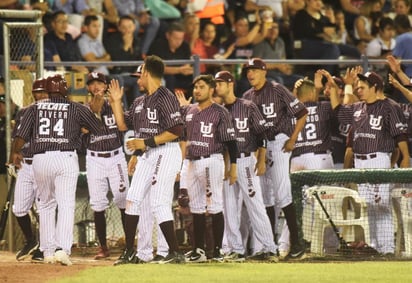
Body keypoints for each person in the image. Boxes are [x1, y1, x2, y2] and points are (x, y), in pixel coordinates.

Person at [9, 74, 103, 266]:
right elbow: (98, 128)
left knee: (45, 205)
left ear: (49, 91)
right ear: (64, 90)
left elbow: (20, 136)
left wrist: (15, 153)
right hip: (65, 157)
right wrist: (84, 127)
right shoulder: (75, 107)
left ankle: (47, 251)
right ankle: (63, 249)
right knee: (66, 203)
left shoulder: (34, 108)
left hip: (40, 159)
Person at [108, 55, 185, 265]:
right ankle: (130, 252)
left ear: (146, 73)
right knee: (132, 199)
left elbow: (177, 130)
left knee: (159, 202)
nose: (137, 80)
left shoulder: (165, 96)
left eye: (138, 75)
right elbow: (123, 125)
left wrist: (145, 143)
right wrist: (115, 102)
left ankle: (175, 253)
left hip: (166, 151)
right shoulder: (139, 101)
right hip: (148, 153)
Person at [329, 70, 409, 255]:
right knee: (370, 206)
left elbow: (400, 135)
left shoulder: (390, 106)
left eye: (363, 87)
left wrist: (404, 157)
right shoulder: (358, 107)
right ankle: (375, 246)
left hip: (379, 158)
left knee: (381, 205)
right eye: (357, 87)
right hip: (360, 162)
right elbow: (338, 112)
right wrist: (333, 88)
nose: (359, 90)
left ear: (375, 87)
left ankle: (387, 248)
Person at [242, 58, 308, 259]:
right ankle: (268, 247)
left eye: (254, 70)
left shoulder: (278, 89)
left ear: (264, 71)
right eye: (248, 71)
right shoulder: (246, 96)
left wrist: (292, 139)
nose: (250, 74)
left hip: (279, 142)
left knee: (282, 193)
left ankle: (297, 244)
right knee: (264, 197)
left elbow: (302, 112)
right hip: (260, 148)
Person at [213, 71, 277, 261]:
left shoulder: (247, 106)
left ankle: (269, 247)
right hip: (226, 162)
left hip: (246, 161)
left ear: (230, 84)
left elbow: (262, 135)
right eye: (215, 84)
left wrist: (261, 159)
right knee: (230, 209)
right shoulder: (218, 110)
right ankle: (236, 249)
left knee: (255, 205)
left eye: (219, 83)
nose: (216, 87)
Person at [178, 74, 237, 263]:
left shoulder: (220, 112)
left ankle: (218, 251)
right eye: (195, 87)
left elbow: (231, 143)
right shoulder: (189, 110)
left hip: (212, 160)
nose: (197, 90)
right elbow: (183, 138)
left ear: (211, 89)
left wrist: (233, 167)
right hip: (192, 161)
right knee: (195, 208)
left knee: (215, 206)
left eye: (201, 87)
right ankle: (199, 250)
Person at [83, 72, 129, 260]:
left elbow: (122, 126)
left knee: (124, 200)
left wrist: (111, 101)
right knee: (98, 204)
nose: (96, 87)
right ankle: (103, 247)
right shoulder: (84, 108)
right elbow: (90, 118)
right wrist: (98, 101)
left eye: (99, 83)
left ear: (106, 85)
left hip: (116, 157)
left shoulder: (116, 104)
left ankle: (130, 246)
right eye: (92, 84)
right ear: (88, 88)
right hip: (94, 159)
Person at [11, 78, 48, 263]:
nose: (40, 95)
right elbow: (16, 137)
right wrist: (13, 157)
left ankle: (43, 246)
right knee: (18, 208)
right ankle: (31, 240)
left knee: (44, 208)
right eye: (37, 92)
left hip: (44, 163)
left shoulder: (53, 112)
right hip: (26, 164)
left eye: (43, 92)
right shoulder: (24, 112)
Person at [104, 15, 143, 107]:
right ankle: (123, 111)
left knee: (140, 80)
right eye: (124, 27)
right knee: (119, 79)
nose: (127, 30)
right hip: (116, 74)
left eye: (129, 26)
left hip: (131, 75)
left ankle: (137, 110)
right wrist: (126, 46)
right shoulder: (112, 40)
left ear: (134, 27)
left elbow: (139, 60)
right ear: (119, 28)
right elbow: (115, 61)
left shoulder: (138, 41)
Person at [252, 21, 303, 90]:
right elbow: (256, 64)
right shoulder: (259, 43)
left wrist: (287, 69)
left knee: (301, 80)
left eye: (275, 28)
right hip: (267, 75)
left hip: (281, 74)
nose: (273, 30)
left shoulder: (280, 42)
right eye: (270, 28)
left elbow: (283, 61)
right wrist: (276, 65)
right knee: (278, 81)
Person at [147, 22, 194, 95]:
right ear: (168, 35)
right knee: (170, 78)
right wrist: (179, 70)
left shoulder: (185, 46)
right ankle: (169, 104)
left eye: (181, 39)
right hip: (163, 77)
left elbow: (187, 65)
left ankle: (192, 104)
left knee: (196, 78)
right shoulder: (158, 46)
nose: (178, 42)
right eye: (175, 38)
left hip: (181, 77)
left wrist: (187, 69)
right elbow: (157, 69)